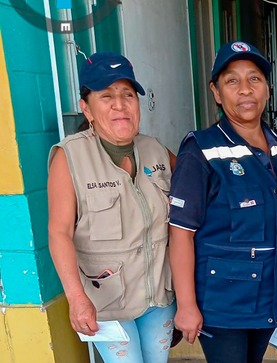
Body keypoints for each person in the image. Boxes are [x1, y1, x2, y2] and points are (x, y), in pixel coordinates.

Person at [168, 41, 277, 363]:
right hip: (223, 303)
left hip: (273, 293)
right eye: (232, 81)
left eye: (254, 79)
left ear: (268, 90)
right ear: (216, 92)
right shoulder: (200, 150)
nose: (245, 89)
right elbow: (180, 234)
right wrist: (187, 305)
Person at [48, 52, 177, 363]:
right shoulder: (70, 158)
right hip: (105, 300)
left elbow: (201, 191)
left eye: (127, 95)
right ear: (86, 107)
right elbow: (59, 231)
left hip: (158, 296)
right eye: (107, 96)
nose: (120, 105)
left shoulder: (156, 149)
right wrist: (76, 298)